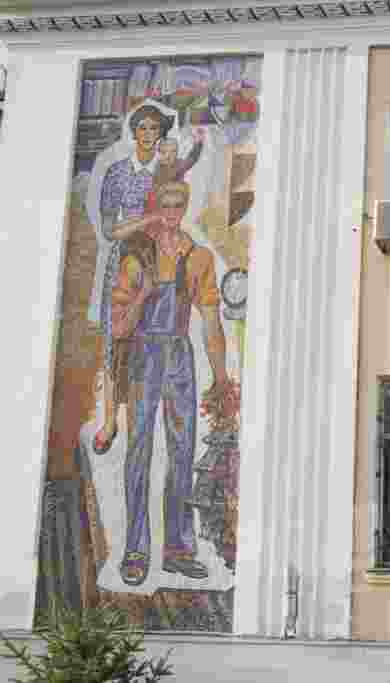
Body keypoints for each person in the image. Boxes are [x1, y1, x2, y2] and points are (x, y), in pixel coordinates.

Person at [110, 181, 228, 586]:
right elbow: (119, 327)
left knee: (182, 451)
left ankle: (178, 549)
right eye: (166, 204)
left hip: (179, 356)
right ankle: (136, 550)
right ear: (156, 207)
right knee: (139, 450)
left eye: (179, 204)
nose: (173, 211)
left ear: (186, 207)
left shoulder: (198, 258)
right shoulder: (135, 257)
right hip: (144, 356)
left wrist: (222, 377)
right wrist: (142, 296)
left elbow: (211, 319)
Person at [93, 104, 176, 455]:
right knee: (116, 342)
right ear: (133, 132)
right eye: (141, 127)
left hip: (157, 262)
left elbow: (175, 214)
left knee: (150, 343)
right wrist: (145, 221)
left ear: (160, 135)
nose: (147, 134)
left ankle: (141, 425)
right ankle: (110, 420)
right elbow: (112, 229)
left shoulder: (166, 174)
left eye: (154, 128)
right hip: (123, 263)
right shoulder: (116, 173)